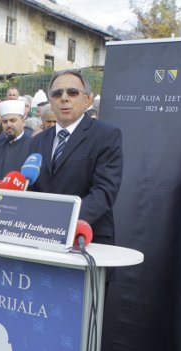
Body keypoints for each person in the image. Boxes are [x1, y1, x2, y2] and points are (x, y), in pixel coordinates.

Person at [29, 69, 123, 245]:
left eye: (72, 92)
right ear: (50, 101)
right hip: (42, 236)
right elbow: (33, 188)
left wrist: (63, 222)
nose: (64, 98)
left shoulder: (106, 135)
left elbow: (104, 191)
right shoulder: (37, 141)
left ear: (87, 100)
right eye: (57, 94)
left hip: (87, 237)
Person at [0, 99, 32, 179]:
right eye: (4, 121)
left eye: (13, 120)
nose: (8, 125)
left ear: (23, 122)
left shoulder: (33, 145)